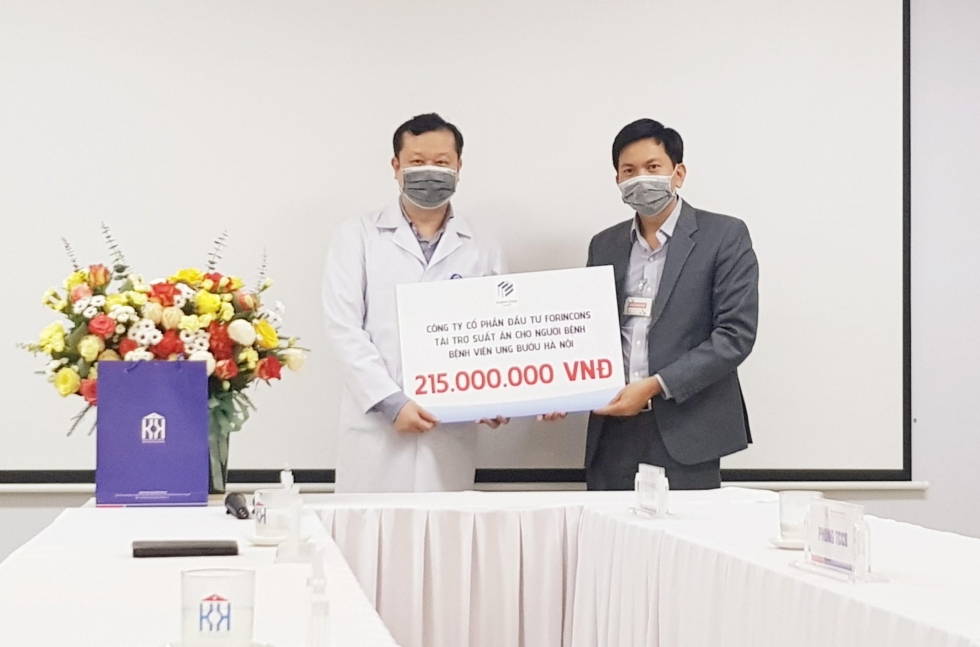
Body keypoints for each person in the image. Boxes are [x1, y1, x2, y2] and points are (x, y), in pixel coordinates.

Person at [323, 113, 508, 493]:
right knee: (372, 529)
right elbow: (344, 329)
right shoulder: (357, 236)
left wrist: (495, 396)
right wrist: (391, 401)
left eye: (441, 162)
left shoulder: (482, 242)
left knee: (444, 530)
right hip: (376, 430)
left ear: (459, 167)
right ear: (396, 167)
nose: (430, 172)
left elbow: (498, 329)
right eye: (418, 162)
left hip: (450, 428)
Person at [585, 118, 759, 490]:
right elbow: (587, 331)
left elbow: (735, 336)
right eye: (629, 171)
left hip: (687, 429)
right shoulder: (604, 245)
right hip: (612, 432)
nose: (640, 179)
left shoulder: (724, 236)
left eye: (653, 168)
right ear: (617, 179)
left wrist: (654, 386)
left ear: (678, 174)